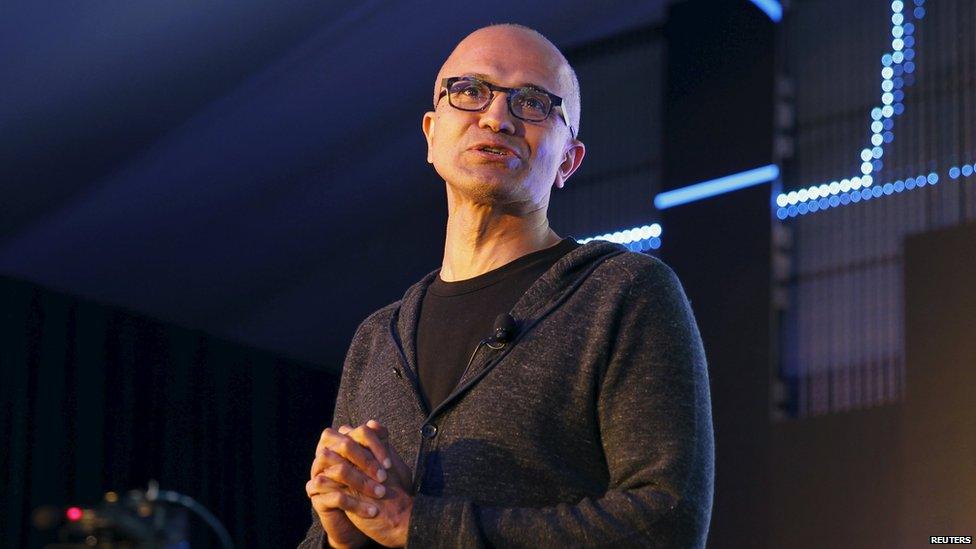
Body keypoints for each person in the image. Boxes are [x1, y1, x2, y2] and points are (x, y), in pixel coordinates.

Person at [300, 23, 714, 549]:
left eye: (534, 103)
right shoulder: (377, 338)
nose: (496, 117)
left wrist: (417, 525)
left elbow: (666, 521)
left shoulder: (624, 292)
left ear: (568, 160)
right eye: (470, 92)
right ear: (431, 133)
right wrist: (342, 540)